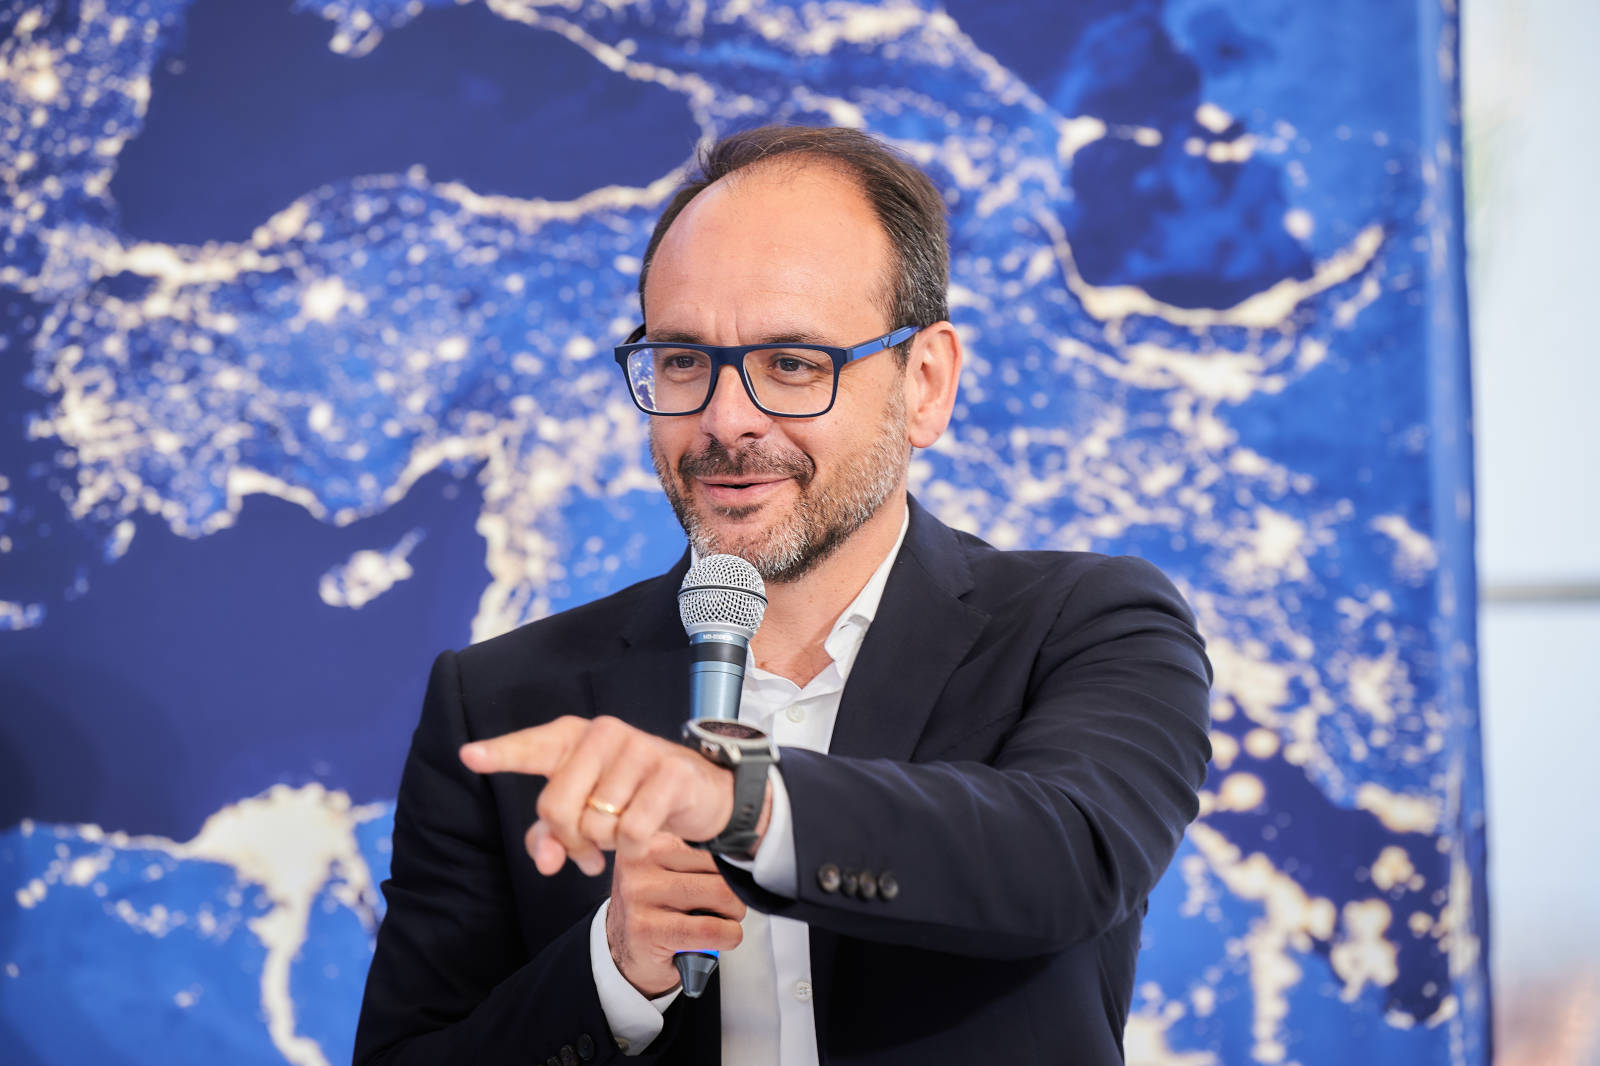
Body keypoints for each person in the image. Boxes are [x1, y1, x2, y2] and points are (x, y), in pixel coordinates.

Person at [353, 124, 1212, 1066]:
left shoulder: (1086, 623)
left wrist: (739, 803)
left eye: (793, 365)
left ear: (925, 384)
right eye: (682, 360)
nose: (726, 420)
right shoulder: (505, 703)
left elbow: (1065, 860)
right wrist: (614, 967)